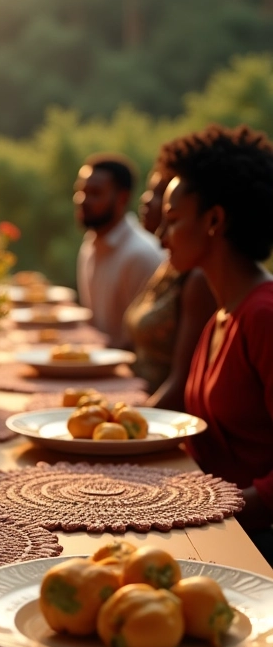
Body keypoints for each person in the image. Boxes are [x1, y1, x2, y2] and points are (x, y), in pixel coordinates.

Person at [159, 123, 273, 563]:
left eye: (172, 221)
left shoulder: (263, 315)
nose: (161, 237)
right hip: (216, 525)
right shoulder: (222, 315)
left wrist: (210, 512)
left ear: (214, 220)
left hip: (253, 544)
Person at [123, 162, 216, 409]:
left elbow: (182, 384)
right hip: (141, 400)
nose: (146, 200)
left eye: (156, 192)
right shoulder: (168, 264)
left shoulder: (197, 277)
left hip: (163, 418)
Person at [73, 153, 162, 350]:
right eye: (81, 191)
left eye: (95, 193)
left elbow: (143, 342)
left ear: (122, 198)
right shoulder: (90, 244)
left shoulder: (141, 255)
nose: (83, 200)